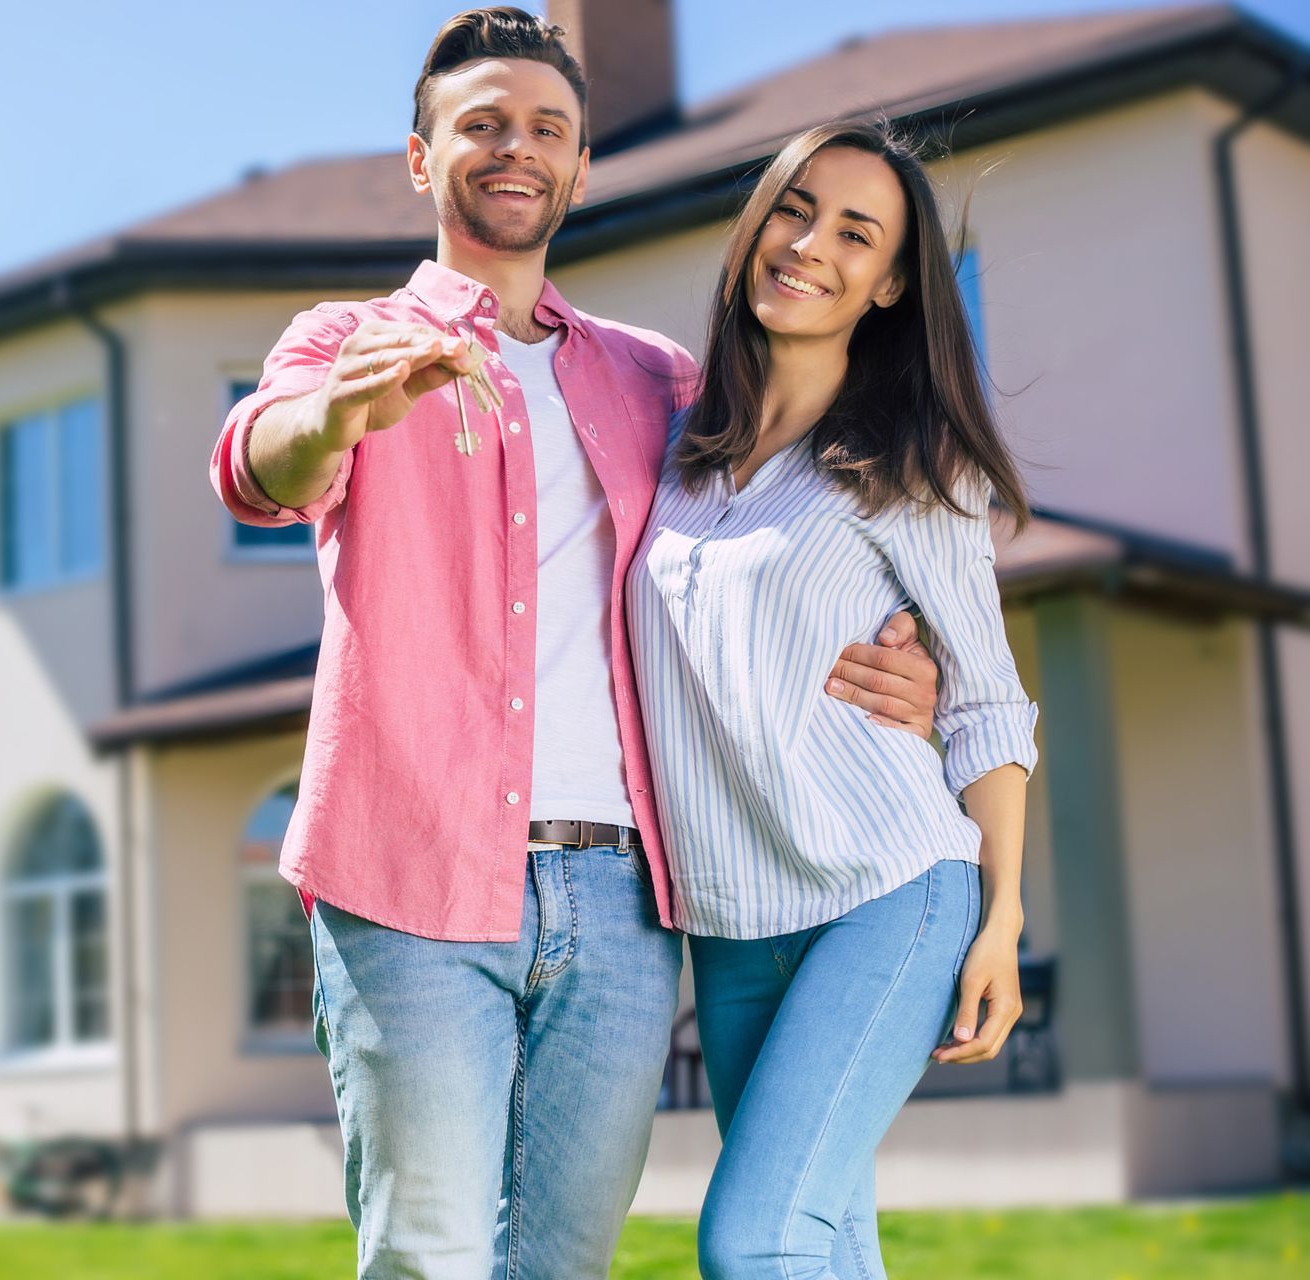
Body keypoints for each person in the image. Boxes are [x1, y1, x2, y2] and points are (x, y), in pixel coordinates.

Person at [211, 11, 939, 1277]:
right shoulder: (343, 342)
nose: (516, 147)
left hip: (620, 900)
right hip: (410, 874)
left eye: (547, 126)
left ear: (582, 167)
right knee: (431, 1251)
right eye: (481, 123)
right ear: (422, 158)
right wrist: (331, 416)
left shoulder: (658, 380)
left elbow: (770, 537)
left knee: (563, 1262)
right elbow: (258, 466)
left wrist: (908, 650)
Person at [626, 119, 1037, 1280]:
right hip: (732, 920)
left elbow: (989, 706)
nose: (808, 244)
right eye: (793, 209)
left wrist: (1001, 918)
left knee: (756, 1237)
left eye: (855, 232)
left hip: (891, 891)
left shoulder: (916, 463)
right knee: (826, 1235)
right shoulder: (673, 454)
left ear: (893, 282)